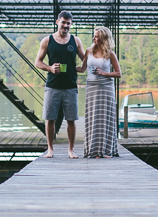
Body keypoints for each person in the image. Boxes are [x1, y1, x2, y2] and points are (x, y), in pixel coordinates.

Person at [34, 11, 86, 158]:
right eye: (63, 22)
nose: (66, 26)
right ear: (57, 22)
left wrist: (81, 68)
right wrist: (50, 68)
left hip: (70, 86)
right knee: (50, 118)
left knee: (71, 120)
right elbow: (38, 62)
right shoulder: (47, 40)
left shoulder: (75, 41)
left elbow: (85, 59)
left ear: (71, 24)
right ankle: (50, 149)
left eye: (68, 23)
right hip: (52, 86)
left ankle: (71, 150)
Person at [77, 26, 121, 158]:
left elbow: (118, 74)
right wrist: (66, 67)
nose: (93, 38)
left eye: (96, 36)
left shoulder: (110, 53)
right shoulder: (89, 51)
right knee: (93, 118)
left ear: (103, 39)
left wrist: (103, 73)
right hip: (91, 87)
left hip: (106, 88)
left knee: (106, 118)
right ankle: (94, 150)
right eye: (94, 36)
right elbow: (82, 69)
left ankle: (106, 150)